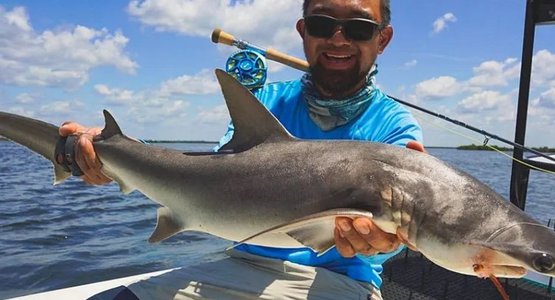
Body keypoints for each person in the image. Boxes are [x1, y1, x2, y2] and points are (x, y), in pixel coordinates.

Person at [63, 0, 425, 299]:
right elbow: (212, 173)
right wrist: (111, 155)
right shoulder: (265, 102)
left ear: (383, 39)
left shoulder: (395, 129)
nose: (338, 39)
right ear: (303, 31)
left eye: (359, 28)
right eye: (322, 24)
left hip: (341, 281)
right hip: (240, 265)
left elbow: (406, 230)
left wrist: (384, 240)